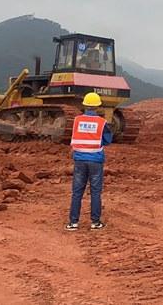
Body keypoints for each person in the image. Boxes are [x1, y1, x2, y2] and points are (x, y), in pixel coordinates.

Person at [65, 92, 112, 231]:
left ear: (85, 105)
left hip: (79, 159)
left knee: (77, 192)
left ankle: (73, 223)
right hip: (95, 160)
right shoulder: (101, 122)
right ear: (97, 107)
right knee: (96, 192)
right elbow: (107, 140)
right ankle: (95, 222)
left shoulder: (77, 120)